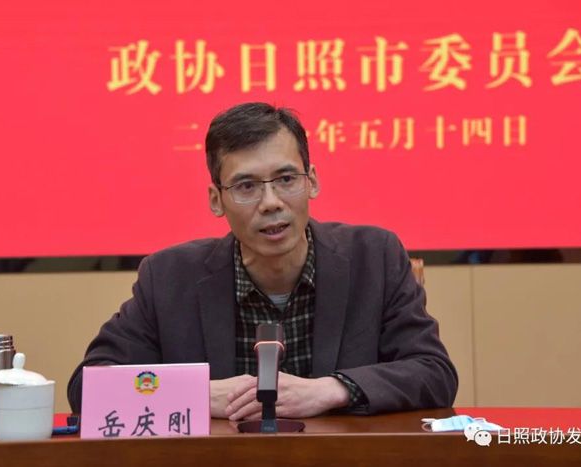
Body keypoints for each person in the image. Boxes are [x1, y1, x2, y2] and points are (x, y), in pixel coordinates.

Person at [68, 102, 458, 420]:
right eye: (247, 186)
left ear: (312, 181)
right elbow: (89, 387)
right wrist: (194, 394)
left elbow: (434, 372)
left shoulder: (374, 256)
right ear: (216, 200)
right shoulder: (170, 277)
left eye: (286, 179)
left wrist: (332, 389)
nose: (271, 203)